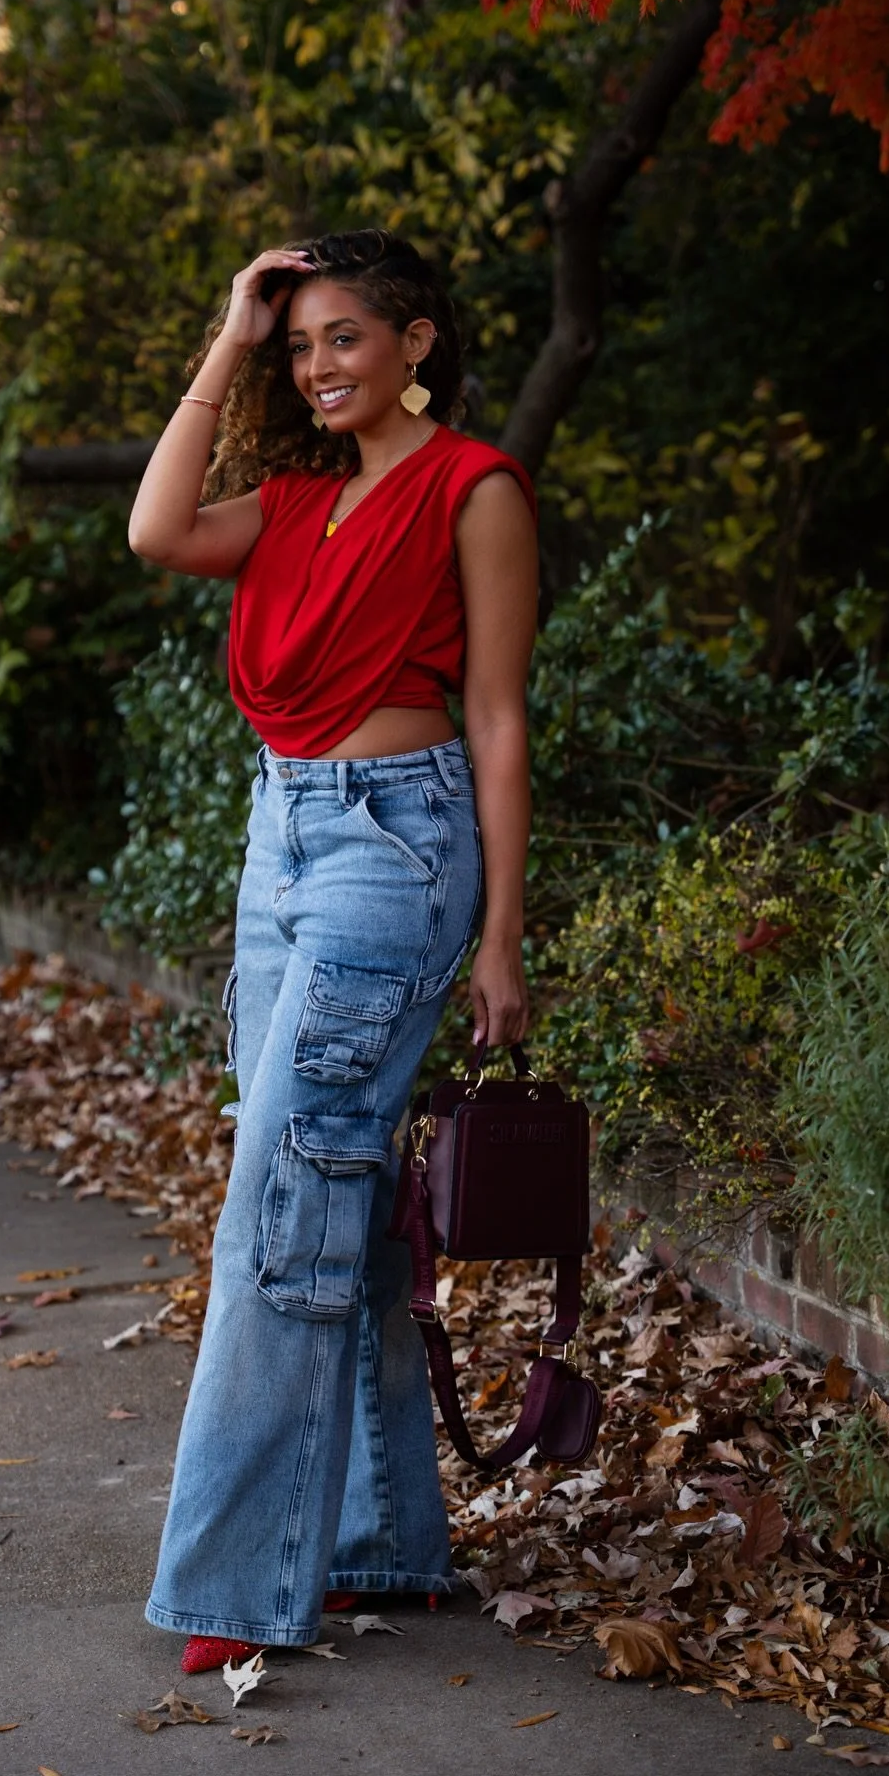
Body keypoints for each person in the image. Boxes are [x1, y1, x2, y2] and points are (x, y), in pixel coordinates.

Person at [126, 228, 540, 1674]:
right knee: (335, 1210)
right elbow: (154, 531)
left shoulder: (473, 490)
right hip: (280, 844)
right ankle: (382, 1545)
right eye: (300, 348)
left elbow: (497, 716)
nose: (319, 368)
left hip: (398, 853)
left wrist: (501, 935)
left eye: (343, 338)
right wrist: (228, 335)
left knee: (274, 1212)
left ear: (418, 340)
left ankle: (238, 1584)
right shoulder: (292, 505)